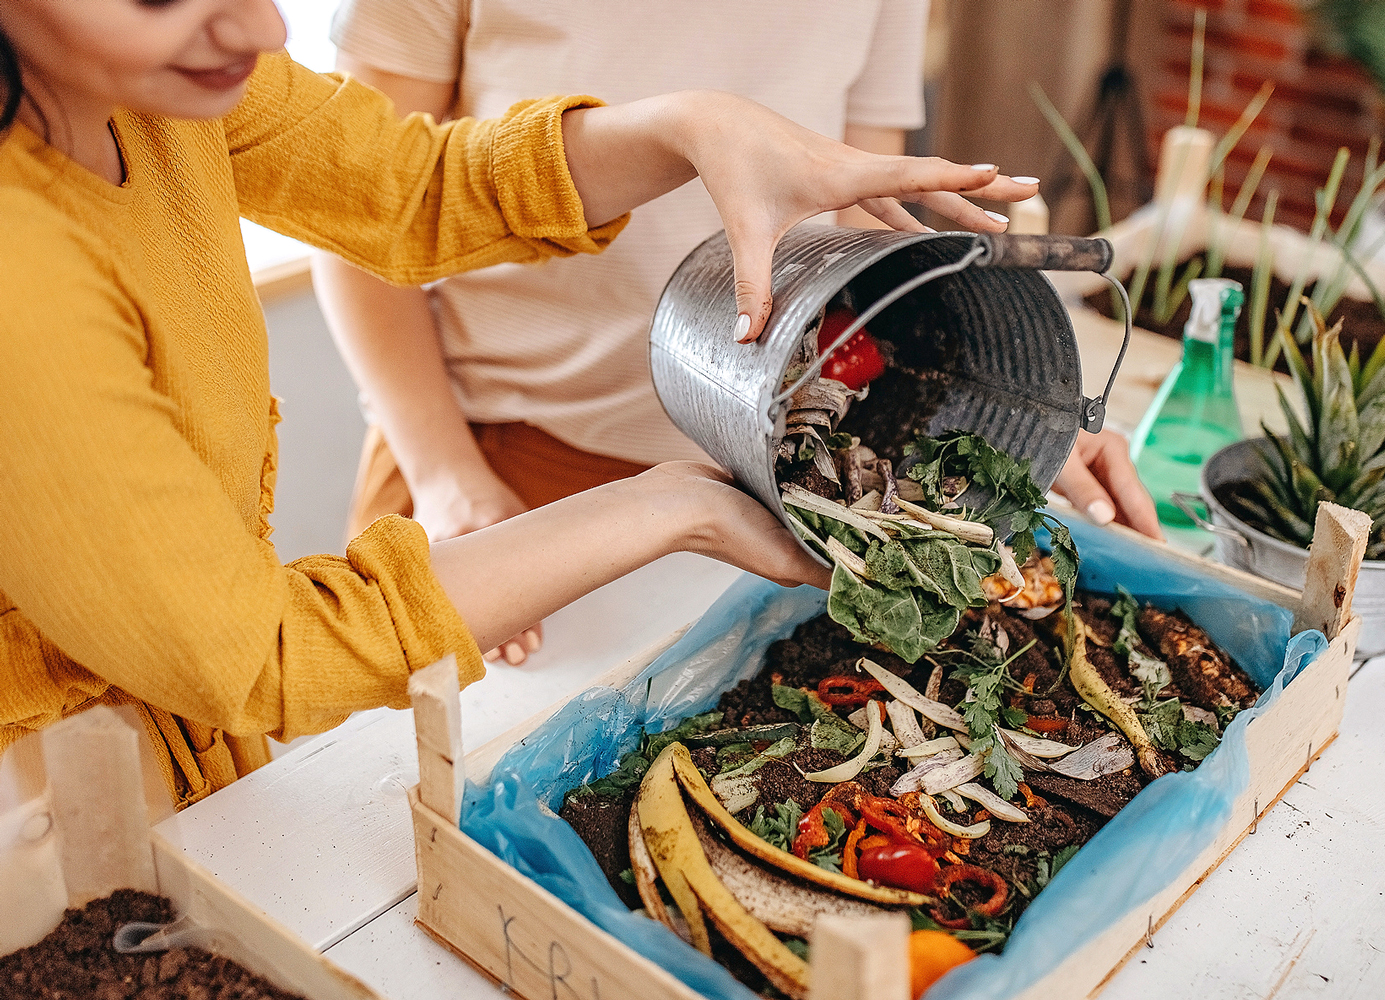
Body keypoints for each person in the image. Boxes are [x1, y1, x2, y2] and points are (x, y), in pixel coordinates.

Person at [0, 0, 1036, 810]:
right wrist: (674, 504)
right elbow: (260, 652)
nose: (266, 30)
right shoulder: (21, 275)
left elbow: (412, 184)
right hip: (53, 796)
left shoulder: (150, 93)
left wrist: (691, 126)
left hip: (192, 742)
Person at [315, 0, 1164, 666]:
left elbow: (861, 243)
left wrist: (1008, 415)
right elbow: (351, 209)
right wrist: (444, 471)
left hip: (765, 481)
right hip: (500, 467)